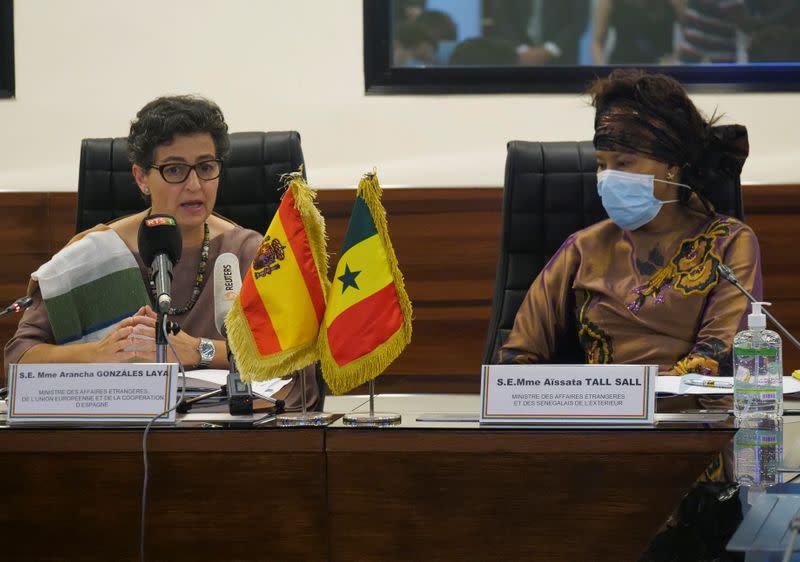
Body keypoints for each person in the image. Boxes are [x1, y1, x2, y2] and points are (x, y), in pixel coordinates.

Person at [4, 95, 317, 409]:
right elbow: (19, 359)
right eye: (175, 170)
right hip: (118, 438)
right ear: (141, 177)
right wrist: (97, 353)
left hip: (224, 437)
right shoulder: (94, 256)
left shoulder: (249, 253)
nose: (195, 185)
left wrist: (198, 350)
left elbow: (297, 363)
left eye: (206, 167)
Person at [498, 69, 762, 378]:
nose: (608, 177)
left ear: (673, 167)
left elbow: (717, 356)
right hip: (603, 415)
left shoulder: (728, 241)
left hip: (691, 417)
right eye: (601, 164)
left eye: (624, 163)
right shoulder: (583, 248)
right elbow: (516, 356)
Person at [592, 0, 677, 65]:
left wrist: (675, 68)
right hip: (620, 70)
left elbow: (687, 35)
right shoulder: (609, 1)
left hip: (662, 73)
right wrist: (604, 74)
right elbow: (597, 42)